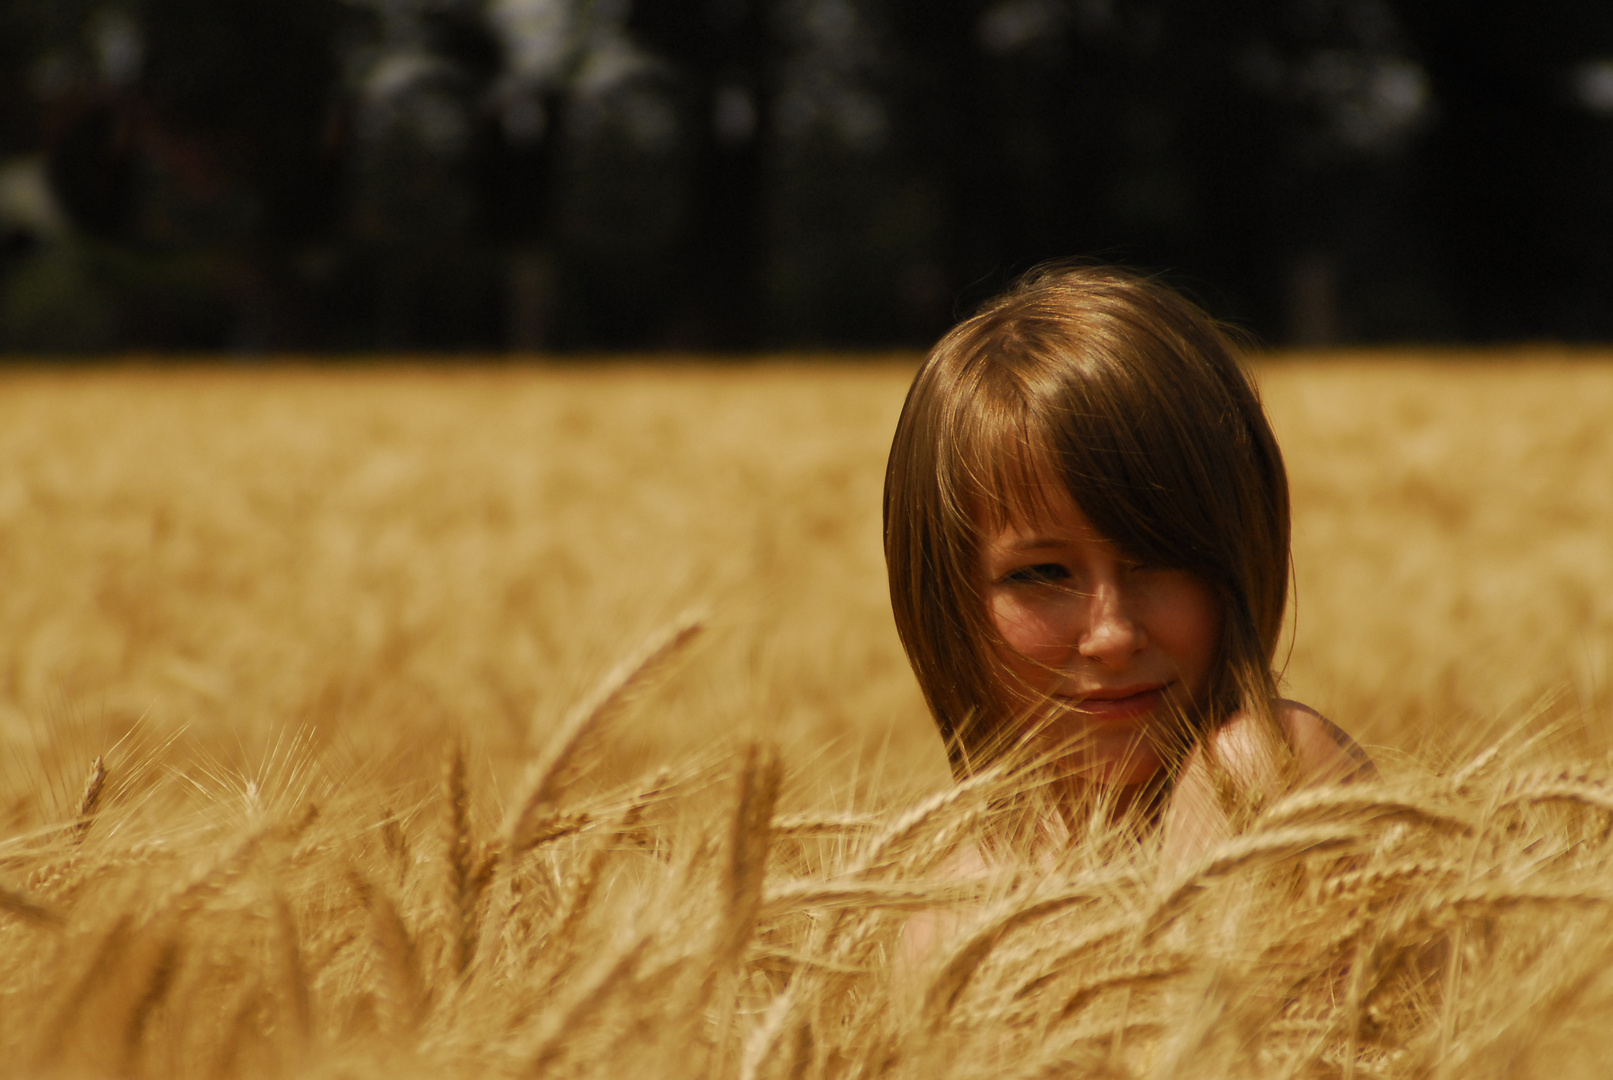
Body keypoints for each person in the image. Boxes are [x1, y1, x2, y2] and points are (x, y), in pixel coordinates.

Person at [883, 264, 1373, 885]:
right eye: (1042, 573)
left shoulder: (1261, 779)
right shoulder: (940, 907)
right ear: (944, 600)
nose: (1112, 634)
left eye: (1158, 558)